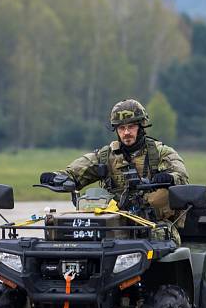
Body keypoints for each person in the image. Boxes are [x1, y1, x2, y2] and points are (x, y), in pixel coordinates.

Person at [39, 99, 189, 237]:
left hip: (154, 225)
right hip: (113, 225)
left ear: (141, 126)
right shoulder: (106, 156)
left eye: (131, 127)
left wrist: (169, 178)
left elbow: (181, 175)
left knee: (156, 237)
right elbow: (76, 171)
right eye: (121, 128)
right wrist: (56, 177)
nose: (126, 132)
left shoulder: (160, 152)